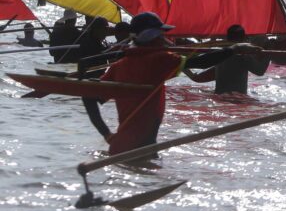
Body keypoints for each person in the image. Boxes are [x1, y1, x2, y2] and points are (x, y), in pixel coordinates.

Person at [83, 12, 260, 154]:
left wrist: (106, 134)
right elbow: (201, 62)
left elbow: (89, 98)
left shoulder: (119, 66)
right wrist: (235, 49)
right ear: (153, 37)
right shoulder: (160, 60)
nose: (165, 39)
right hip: (140, 149)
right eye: (161, 35)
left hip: (122, 148)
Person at [211, 25, 271, 95]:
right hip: (237, 97)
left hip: (219, 94)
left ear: (227, 37)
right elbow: (260, 71)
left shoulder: (219, 52)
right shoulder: (242, 55)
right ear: (244, 38)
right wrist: (268, 54)